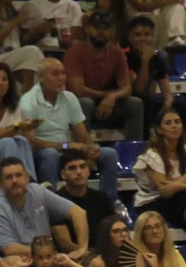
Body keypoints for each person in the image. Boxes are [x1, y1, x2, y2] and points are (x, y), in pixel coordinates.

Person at [18, 58, 119, 198]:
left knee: (109, 154)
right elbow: (31, 143)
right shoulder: (28, 102)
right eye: (55, 74)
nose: (62, 78)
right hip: (42, 153)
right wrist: (65, 145)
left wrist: (91, 146)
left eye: (63, 73)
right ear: (41, 78)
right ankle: (50, 204)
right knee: (50, 155)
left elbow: (83, 135)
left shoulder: (69, 97)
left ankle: (110, 203)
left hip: (66, 150)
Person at [134, 107, 186, 253]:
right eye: (168, 123)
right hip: (152, 202)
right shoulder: (152, 155)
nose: (174, 126)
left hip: (179, 199)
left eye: (177, 122)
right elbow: (165, 190)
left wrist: (176, 186)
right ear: (159, 130)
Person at [0, 157, 88, 262]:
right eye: (9, 177)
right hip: (20, 264)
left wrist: (82, 249)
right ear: (1, 182)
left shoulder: (37, 191)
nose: (14, 181)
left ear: (27, 177)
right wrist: (47, 254)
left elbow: (78, 213)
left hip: (47, 261)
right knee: (12, 259)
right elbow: (10, 249)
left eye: (19, 175)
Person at [65, 10, 143, 140]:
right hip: (80, 103)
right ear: (88, 29)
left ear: (112, 31)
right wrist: (106, 96)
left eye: (105, 28)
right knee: (86, 103)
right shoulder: (75, 52)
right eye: (97, 28)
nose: (101, 32)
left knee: (135, 103)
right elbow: (78, 90)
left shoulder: (117, 52)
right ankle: (80, 152)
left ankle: (133, 152)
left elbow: (127, 88)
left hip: (107, 103)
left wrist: (112, 96)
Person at [50, 148, 117, 256]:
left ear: (88, 171)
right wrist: (89, 255)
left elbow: (112, 232)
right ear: (63, 174)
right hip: (71, 259)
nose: (78, 172)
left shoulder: (102, 198)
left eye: (82, 166)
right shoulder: (56, 201)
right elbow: (64, 244)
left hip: (101, 255)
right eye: (72, 168)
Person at [123, 15, 180, 124]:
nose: (143, 39)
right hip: (129, 101)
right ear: (130, 37)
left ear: (153, 37)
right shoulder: (124, 55)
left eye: (147, 35)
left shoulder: (157, 57)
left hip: (147, 100)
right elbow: (138, 90)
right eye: (137, 35)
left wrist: (167, 105)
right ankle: (144, 140)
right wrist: (145, 61)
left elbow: (167, 91)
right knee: (144, 101)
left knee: (182, 106)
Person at [90, 214, 154, 267]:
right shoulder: (99, 263)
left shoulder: (131, 257)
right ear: (106, 236)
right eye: (116, 231)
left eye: (125, 230)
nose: (123, 234)